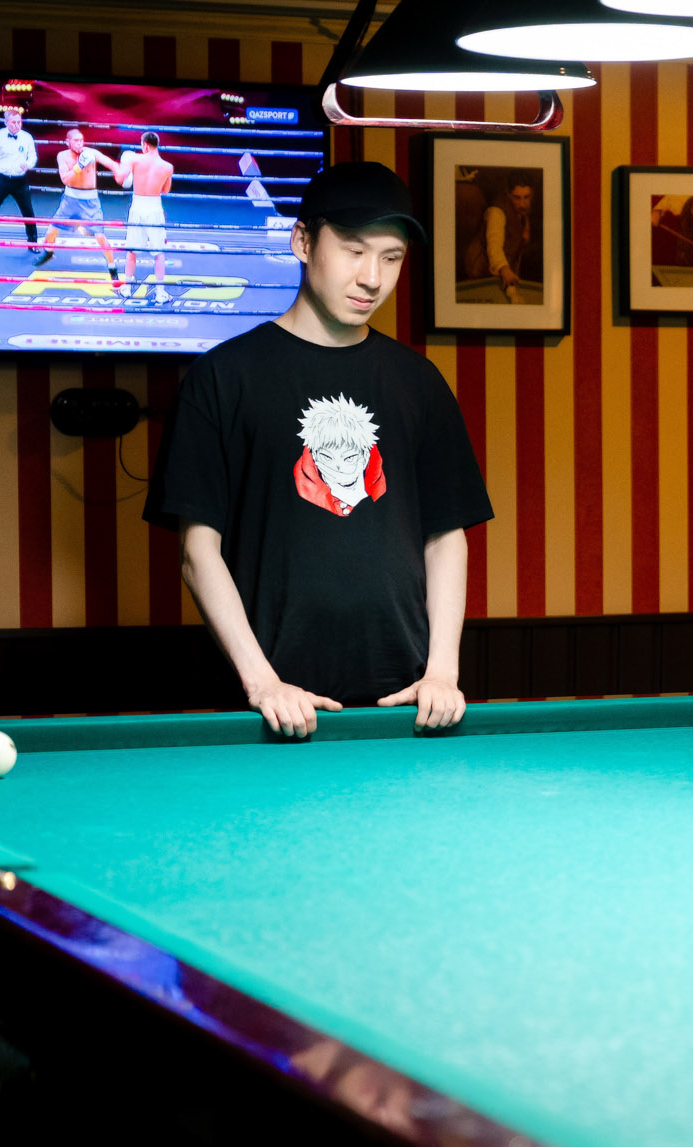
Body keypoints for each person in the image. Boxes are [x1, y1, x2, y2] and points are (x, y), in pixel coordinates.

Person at [142, 161, 494, 738]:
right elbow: (197, 553)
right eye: (354, 251)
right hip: (269, 706)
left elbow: (445, 537)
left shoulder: (419, 382)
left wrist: (441, 672)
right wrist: (263, 684)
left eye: (391, 258)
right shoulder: (223, 378)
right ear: (303, 242)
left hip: (404, 701)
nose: (372, 278)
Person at [49, 126, 123, 289]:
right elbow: (65, 179)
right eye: (76, 140)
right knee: (51, 231)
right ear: (68, 142)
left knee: (100, 236)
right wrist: (79, 166)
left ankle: (113, 269)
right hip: (70, 199)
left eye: (81, 140)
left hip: (90, 202)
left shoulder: (91, 153)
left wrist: (119, 172)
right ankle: (48, 252)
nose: (80, 143)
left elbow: (110, 163)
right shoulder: (62, 156)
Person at [0, 107, 50, 264]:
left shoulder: (27, 137)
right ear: (6, 122)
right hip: (0, 179)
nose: (17, 125)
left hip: (19, 180)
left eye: (19, 122)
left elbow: (33, 156)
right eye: (14, 122)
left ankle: (32, 242)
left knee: (28, 211)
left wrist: (28, 164)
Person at [113, 131, 174, 301]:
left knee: (132, 250)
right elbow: (165, 190)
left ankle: (127, 288)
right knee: (159, 252)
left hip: (137, 206)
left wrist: (118, 167)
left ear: (145, 145)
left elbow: (121, 178)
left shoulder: (134, 159)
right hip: (154, 207)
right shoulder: (167, 167)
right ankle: (160, 293)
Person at [463, 169, 536, 303]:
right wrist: (504, 269)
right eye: (517, 198)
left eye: (527, 197)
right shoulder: (496, 213)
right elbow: (494, 246)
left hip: (503, 276)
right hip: (480, 275)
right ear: (508, 195)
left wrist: (526, 228)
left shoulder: (521, 211)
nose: (523, 204)